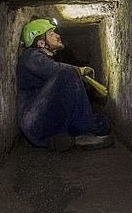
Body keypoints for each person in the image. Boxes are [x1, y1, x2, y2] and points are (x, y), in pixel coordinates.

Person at [16, 18, 113, 151]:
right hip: (34, 122)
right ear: (40, 42)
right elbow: (55, 69)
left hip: (48, 119)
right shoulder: (30, 56)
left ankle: (62, 139)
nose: (58, 35)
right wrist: (79, 70)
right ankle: (84, 132)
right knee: (67, 72)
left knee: (104, 123)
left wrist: (81, 80)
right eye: (51, 33)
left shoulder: (48, 61)